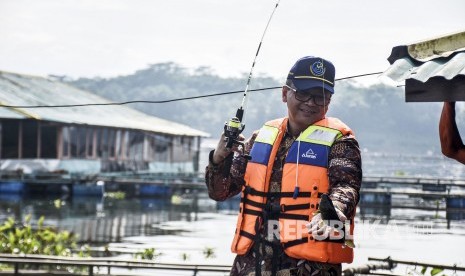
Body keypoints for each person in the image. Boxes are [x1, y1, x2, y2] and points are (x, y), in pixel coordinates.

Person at [205, 56, 362, 276]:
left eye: (320, 97)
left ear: (328, 102)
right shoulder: (259, 139)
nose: (310, 103)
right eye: (303, 93)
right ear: (284, 93)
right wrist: (219, 159)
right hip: (252, 263)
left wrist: (335, 210)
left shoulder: (341, 142)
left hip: (310, 268)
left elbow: (346, 186)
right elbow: (220, 192)